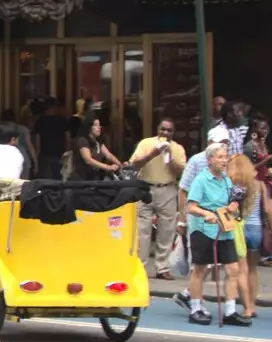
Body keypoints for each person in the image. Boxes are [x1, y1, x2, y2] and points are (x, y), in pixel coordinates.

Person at [184, 144, 249, 326]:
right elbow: (191, 206)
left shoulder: (227, 181)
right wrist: (207, 214)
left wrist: (232, 208)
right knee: (200, 269)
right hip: (204, 229)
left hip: (224, 229)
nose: (224, 160)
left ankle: (230, 311)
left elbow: (229, 205)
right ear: (210, 160)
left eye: (225, 156)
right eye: (220, 157)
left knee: (233, 269)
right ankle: (195, 308)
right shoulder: (200, 180)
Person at [130, 119, 186, 279]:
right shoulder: (146, 143)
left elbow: (180, 170)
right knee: (142, 230)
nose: (165, 133)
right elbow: (134, 164)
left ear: (173, 132)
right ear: (158, 129)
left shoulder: (177, 148)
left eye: (169, 130)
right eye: (163, 129)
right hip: (145, 188)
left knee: (167, 230)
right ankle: (140, 268)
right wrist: (152, 154)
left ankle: (163, 268)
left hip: (167, 188)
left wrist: (168, 156)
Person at [228, 153, 264, 319]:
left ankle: (246, 307)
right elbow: (268, 209)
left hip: (238, 228)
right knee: (252, 269)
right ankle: (253, 304)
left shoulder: (231, 184)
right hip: (255, 228)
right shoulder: (257, 184)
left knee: (240, 269)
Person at [70, 113, 120, 180]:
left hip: (95, 179)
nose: (99, 127)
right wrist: (108, 167)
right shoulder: (82, 141)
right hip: (82, 181)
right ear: (89, 127)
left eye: (99, 125)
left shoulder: (98, 142)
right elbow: (88, 160)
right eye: (96, 125)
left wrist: (120, 165)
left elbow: (108, 155)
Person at [33, 98, 70, 181]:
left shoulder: (40, 120)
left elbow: (37, 140)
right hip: (59, 154)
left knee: (46, 181)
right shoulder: (62, 120)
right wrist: (67, 152)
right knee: (59, 180)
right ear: (55, 107)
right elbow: (67, 137)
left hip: (45, 154)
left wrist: (37, 154)